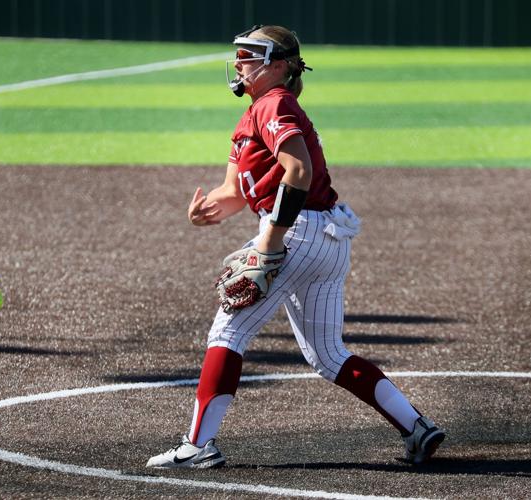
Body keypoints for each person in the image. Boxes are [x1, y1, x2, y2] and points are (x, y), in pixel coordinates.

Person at [146, 25, 444, 469]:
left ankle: (197, 445)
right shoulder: (257, 112)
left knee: (227, 333)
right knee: (328, 355)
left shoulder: (274, 102)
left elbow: (297, 171)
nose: (241, 62)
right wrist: (206, 210)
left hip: (297, 233)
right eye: (240, 54)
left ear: (279, 66)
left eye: (251, 55)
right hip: (326, 239)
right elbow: (235, 191)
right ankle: (416, 427)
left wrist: (270, 240)